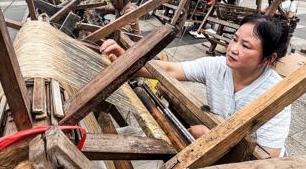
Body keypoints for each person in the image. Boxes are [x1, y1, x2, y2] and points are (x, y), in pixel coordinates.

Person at [101, 14, 292, 157]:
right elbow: (170, 70)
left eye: (246, 46)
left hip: (248, 166)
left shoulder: (275, 95)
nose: (233, 49)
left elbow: (269, 156)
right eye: (234, 39)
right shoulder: (218, 67)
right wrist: (126, 59)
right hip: (219, 149)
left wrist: (213, 136)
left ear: (269, 58)